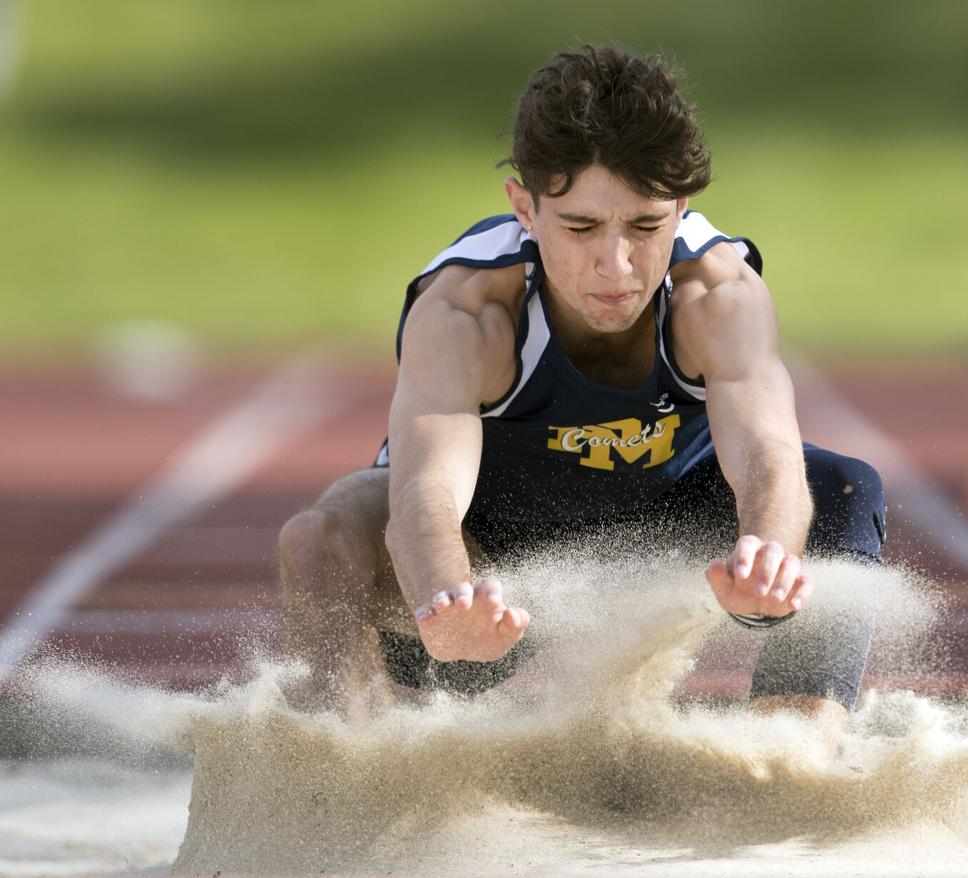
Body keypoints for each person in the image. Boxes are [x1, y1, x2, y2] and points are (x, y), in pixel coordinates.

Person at [278, 46, 886, 730]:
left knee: (842, 489)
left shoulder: (719, 296)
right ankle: (337, 771)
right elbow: (425, 494)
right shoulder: (465, 313)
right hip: (496, 554)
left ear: (680, 206)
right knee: (319, 540)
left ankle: (791, 759)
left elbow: (769, 453)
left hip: (670, 519)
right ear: (525, 209)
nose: (616, 265)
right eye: (582, 227)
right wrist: (446, 604)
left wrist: (768, 556)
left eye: (646, 226)